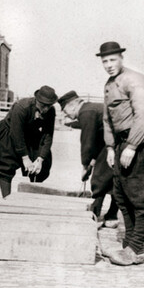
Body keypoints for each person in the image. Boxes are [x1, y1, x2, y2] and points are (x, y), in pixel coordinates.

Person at [97, 41, 144, 266]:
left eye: (112, 60)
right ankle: (131, 244)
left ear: (121, 58)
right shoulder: (110, 84)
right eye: (105, 61)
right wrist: (111, 147)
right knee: (121, 195)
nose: (109, 65)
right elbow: (107, 119)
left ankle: (135, 248)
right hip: (123, 142)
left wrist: (132, 146)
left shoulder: (135, 79)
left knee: (142, 197)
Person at [57, 90, 120, 228]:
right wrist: (92, 163)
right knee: (114, 180)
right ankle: (111, 214)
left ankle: (95, 215)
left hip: (115, 145)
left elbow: (88, 142)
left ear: (72, 105)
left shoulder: (86, 113)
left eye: (65, 110)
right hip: (115, 144)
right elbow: (99, 138)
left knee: (99, 179)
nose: (65, 114)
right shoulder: (90, 109)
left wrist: (85, 166)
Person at [0, 85, 58, 198]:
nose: (46, 109)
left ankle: (32, 197)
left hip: (31, 134)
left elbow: (48, 135)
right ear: (37, 100)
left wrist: (40, 159)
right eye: (43, 105)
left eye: (49, 105)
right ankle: (6, 199)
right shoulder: (22, 107)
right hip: (10, 133)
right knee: (6, 165)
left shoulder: (50, 111)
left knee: (41, 166)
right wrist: (25, 158)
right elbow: (16, 134)